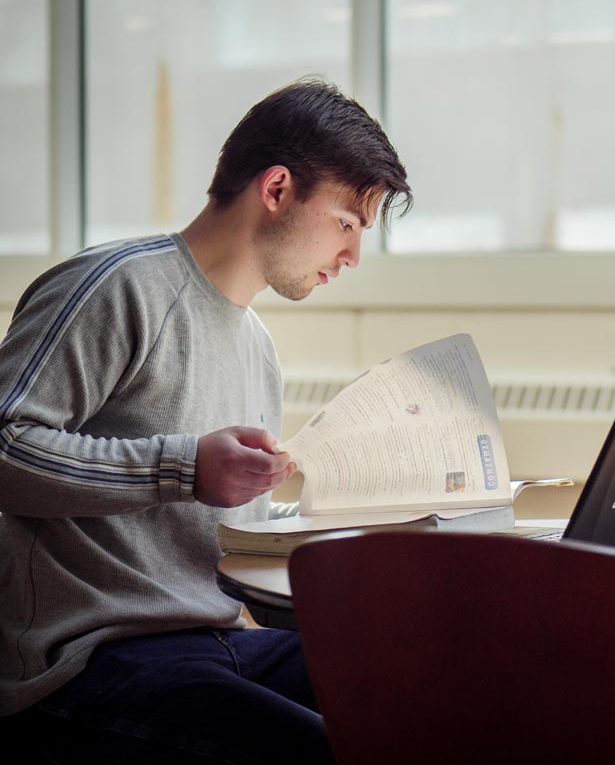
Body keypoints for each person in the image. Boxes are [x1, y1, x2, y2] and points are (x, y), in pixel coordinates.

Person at [0, 77, 412, 763]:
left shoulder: (257, 346)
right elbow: (6, 445)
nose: (352, 256)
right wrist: (185, 468)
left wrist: (359, 526)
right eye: (347, 223)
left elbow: (218, 527)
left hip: (220, 638)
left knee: (427, 689)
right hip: (93, 660)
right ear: (276, 189)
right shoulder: (116, 287)